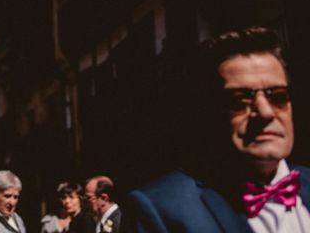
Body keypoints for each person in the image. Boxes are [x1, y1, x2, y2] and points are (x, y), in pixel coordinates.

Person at [125, 27, 310, 232]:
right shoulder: (159, 209)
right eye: (239, 101)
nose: (266, 113)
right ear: (207, 111)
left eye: (278, 97)